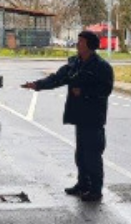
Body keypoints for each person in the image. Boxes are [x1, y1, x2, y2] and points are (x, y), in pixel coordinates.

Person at [22, 31, 114, 202]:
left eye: (81, 41)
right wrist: (37, 85)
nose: (77, 44)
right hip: (79, 115)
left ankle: (95, 189)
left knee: (93, 153)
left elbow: (105, 90)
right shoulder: (75, 63)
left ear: (89, 45)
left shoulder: (102, 67)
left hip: (93, 117)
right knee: (81, 154)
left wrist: (84, 92)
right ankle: (82, 184)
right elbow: (57, 78)